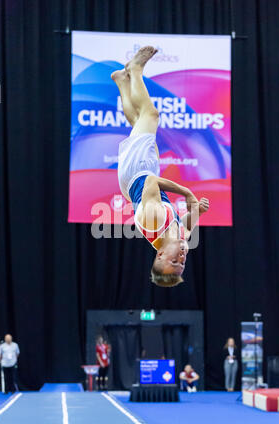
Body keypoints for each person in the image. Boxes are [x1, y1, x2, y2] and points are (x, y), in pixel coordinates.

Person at [112, 46, 209, 287]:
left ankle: (135, 70)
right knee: (138, 124)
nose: (182, 259)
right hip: (138, 180)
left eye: (174, 262)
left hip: (138, 174)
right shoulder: (181, 239)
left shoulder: (154, 220)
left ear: (161, 255)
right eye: (182, 264)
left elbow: (152, 182)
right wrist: (199, 211)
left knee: (151, 116)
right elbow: (187, 223)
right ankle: (122, 81)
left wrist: (187, 194)